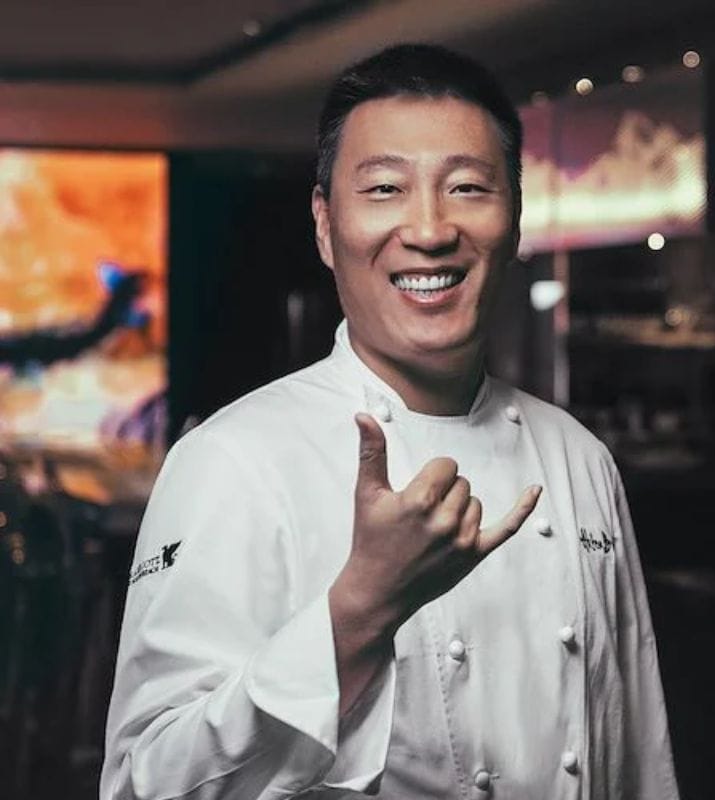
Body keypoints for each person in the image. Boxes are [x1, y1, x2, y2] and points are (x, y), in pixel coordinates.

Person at [101, 44, 679, 799]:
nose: (430, 229)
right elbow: (142, 784)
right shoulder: (231, 460)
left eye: (467, 187)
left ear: (515, 218)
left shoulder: (579, 457)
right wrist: (358, 613)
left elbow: (638, 758)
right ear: (324, 225)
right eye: (384, 189)